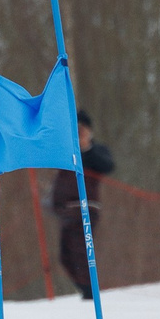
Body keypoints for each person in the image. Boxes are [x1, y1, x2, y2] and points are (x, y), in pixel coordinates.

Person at [50, 109, 114, 299]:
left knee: (81, 250)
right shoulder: (65, 152)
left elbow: (107, 165)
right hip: (66, 212)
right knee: (65, 256)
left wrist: (85, 148)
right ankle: (86, 289)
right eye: (75, 130)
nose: (78, 134)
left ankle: (90, 292)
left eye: (81, 129)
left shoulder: (96, 151)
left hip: (86, 208)